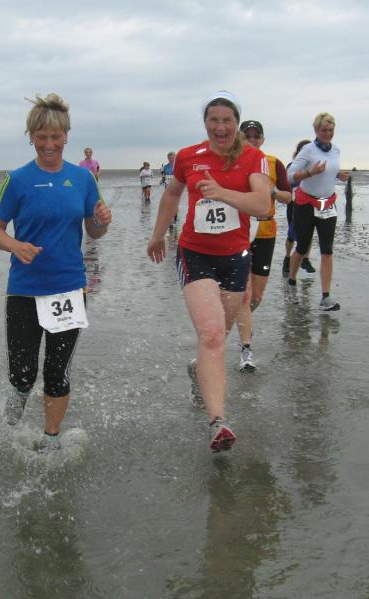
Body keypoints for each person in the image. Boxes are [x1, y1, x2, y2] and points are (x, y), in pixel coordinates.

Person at [0, 93, 112, 452]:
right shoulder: (17, 180)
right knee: (23, 375)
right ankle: (9, 422)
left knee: (57, 371)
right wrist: (15, 246)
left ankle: (51, 439)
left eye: (56, 137)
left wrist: (101, 221)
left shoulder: (83, 178)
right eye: (41, 137)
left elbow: (94, 231)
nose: (49, 144)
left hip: (69, 289)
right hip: (24, 290)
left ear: (66, 136)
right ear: (31, 137)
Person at [146, 91, 270, 452]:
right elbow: (172, 194)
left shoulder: (254, 158)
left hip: (235, 256)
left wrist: (221, 192)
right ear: (205, 124)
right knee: (212, 334)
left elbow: (262, 204)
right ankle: (218, 422)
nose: (220, 126)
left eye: (227, 120)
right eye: (213, 120)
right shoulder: (189, 156)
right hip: (195, 253)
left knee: (218, 336)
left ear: (236, 124)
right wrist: (158, 235)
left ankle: (198, 368)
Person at [234, 120, 291, 371]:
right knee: (244, 293)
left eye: (256, 136)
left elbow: (289, 197)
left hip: (265, 231)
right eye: (247, 136)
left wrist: (273, 190)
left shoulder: (274, 163)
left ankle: (242, 321)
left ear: (263, 139)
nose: (252, 140)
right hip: (239, 231)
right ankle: (246, 349)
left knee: (256, 297)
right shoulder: (232, 161)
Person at [286, 112, 350, 311]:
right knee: (302, 246)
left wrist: (339, 175)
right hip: (306, 203)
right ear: (316, 130)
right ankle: (291, 281)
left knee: (327, 250)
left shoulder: (336, 150)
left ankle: (325, 297)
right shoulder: (308, 150)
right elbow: (289, 176)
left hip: (327, 204)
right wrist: (310, 172)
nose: (328, 134)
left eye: (331, 130)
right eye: (324, 130)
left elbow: (330, 171)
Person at [282, 139, 315, 276]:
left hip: (310, 203)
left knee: (309, 233)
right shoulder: (292, 166)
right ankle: (287, 258)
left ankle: (305, 259)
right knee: (292, 234)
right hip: (294, 204)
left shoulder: (314, 167)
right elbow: (286, 184)